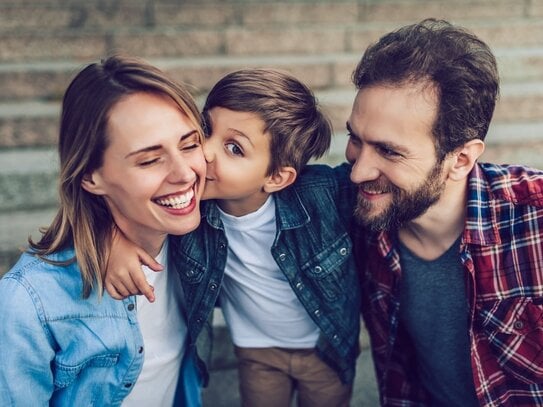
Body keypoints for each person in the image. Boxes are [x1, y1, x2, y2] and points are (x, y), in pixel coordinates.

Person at [106, 68, 360, 407]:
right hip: (257, 352)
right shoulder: (187, 211)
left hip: (325, 350)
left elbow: (377, 183)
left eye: (234, 148)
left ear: (277, 177)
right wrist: (113, 239)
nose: (206, 152)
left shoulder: (321, 196)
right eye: (206, 129)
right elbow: (125, 200)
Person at [347, 18, 543, 406]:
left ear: (461, 158)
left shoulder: (534, 217)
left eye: (388, 151)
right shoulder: (355, 212)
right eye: (355, 138)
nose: (357, 171)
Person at [0, 55, 208, 406]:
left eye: (189, 144)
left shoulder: (205, 237)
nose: (185, 173)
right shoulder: (28, 302)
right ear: (90, 176)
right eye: (149, 159)